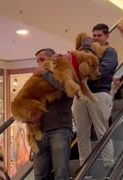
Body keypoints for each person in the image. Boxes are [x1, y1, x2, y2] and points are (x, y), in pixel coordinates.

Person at [72, 24, 118, 177]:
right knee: (82, 134)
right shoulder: (84, 52)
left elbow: (104, 71)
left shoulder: (110, 51)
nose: (96, 38)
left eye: (99, 35)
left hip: (99, 94)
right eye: (94, 35)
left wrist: (85, 68)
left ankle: (109, 167)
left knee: (102, 132)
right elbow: (74, 71)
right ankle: (85, 170)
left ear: (106, 37)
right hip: (80, 95)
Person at [28, 48, 73, 180]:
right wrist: (28, 118)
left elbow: (66, 88)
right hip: (39, 132)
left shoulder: (64, 71)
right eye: (37, 61)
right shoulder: (37, 78)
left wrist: (45, 73)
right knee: (40, 175)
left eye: (42, 60)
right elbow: (29, 100)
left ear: (51, 58)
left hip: (60, 129)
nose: (39, 63)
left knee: (61, 174)